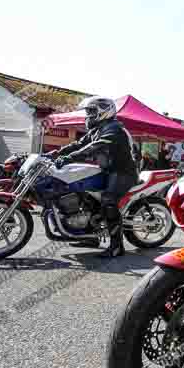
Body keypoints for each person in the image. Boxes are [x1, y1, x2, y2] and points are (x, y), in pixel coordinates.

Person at [45, 96, 138, 257]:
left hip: (123, 172)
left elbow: (94, 147)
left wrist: (69, 158)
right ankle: (91, 237)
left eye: (92, 111)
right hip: (107, 170)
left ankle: (117, 247)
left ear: (104, 112)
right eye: (88, 112)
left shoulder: (114, 129)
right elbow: (78, 144)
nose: (88, 115)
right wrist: (55, 153)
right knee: (85, 195)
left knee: (108, 200)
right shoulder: (97, 129)